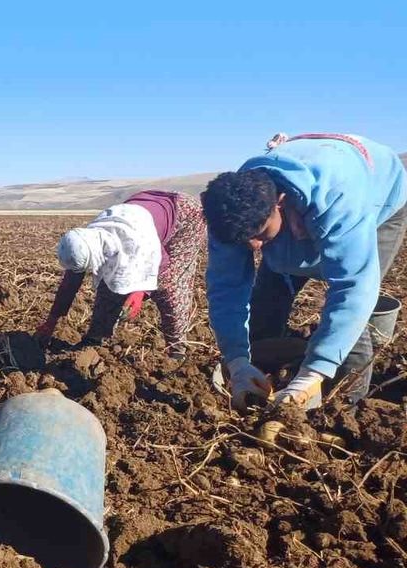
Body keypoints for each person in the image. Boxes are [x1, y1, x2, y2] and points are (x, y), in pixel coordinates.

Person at [203, 133, 406, 409]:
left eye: (261, 235)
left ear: (280, 202)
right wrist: (237, 361)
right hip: (295, 212)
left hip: (380, 199)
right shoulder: (229, 214)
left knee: (353, 315)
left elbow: (352, 288)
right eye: (242, 240)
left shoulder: (339, 198)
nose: (253, 246)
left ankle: (346, 405)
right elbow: (226, 288)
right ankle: (262, 380)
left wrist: (313, 373)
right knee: (268, 295)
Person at [35, 191, 206, 354]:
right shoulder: (84, 243)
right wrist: (52, 321)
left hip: (184, 215)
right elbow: (69, 284)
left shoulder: (135, 239)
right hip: (146, 203)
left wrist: (140, 291)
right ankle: (95, 338)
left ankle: (177, 348)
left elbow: (161, 262)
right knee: (109, 283)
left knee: (169, 284)